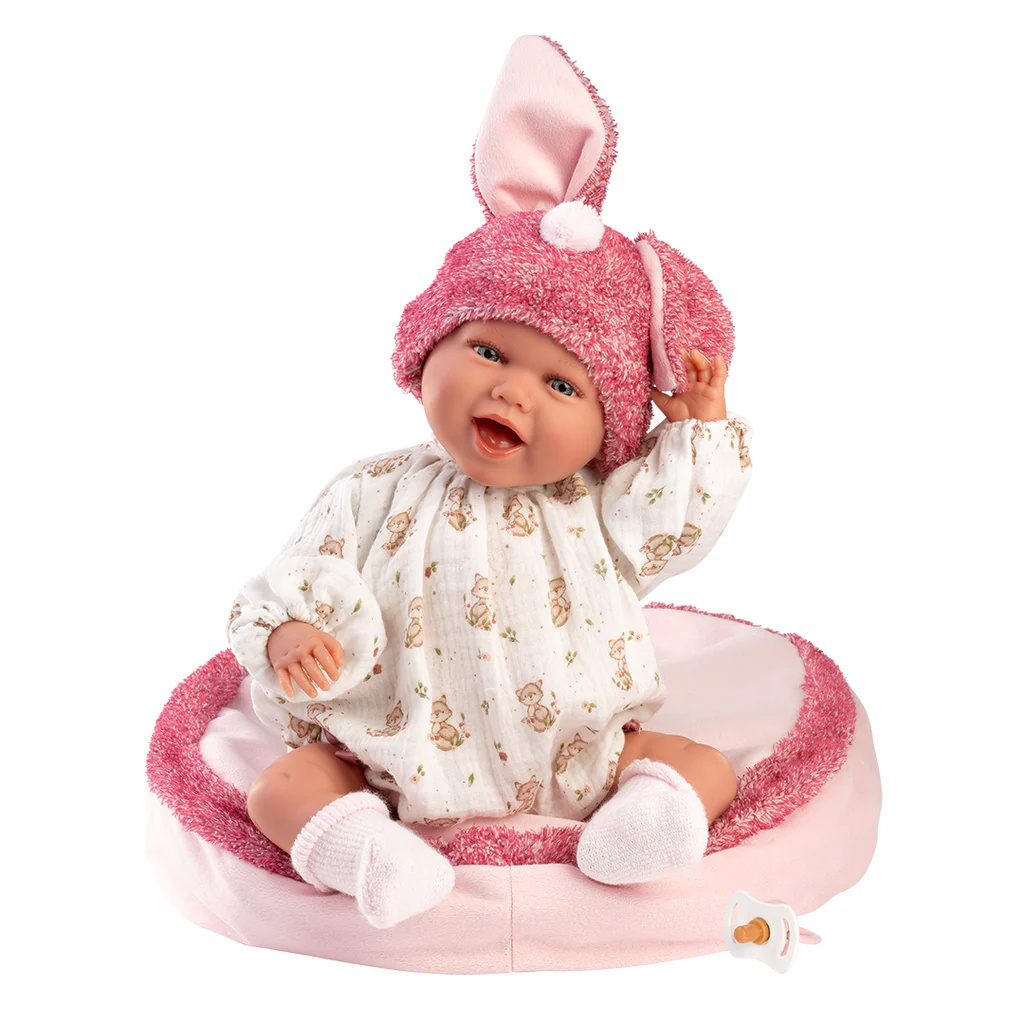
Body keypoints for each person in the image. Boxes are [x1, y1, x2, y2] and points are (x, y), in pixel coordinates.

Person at [226, 35, 752, 929]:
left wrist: (699, 430)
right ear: (428, 349)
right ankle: (368, 847)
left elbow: (678, 520)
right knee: (282, 789)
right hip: (387, 752)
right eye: (488, 351)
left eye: (563, 386)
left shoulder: (600, 510)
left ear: (609, 427)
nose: (512, 391)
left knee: (701, 765)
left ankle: (643, 824)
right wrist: (289, 634)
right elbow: (295, 575)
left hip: (584, 754)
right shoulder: (372, 490)